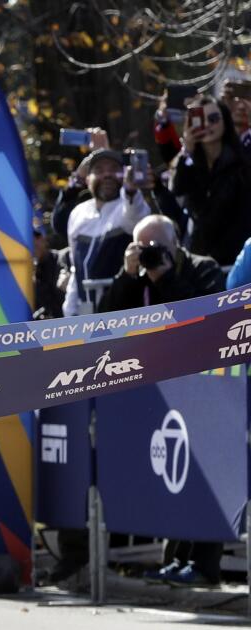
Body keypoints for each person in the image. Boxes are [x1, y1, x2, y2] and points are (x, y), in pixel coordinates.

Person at [97, 215, 226, 586]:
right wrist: (126, 277)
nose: (151, 255)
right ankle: (178, 559)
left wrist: (166, 278)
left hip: (204, 388)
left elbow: (205, 320)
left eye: (157, 248)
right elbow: (107, 321)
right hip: (158, 388)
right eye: (143, 248)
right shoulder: (135, 278)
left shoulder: (203, 269)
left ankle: (204, 565)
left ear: (175, 243)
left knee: (205, 477)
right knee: (177, 479)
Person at [63, 148, 151, 315]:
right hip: (87, 314)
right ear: (88, 180)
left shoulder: (129, 205)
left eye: (114, 169)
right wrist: (69, 310)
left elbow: (136, 216)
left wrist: (131, 190)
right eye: (99, 170)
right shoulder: (78, 213)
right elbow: (77, 267)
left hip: (123, 311)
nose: (107, 175)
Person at [169, 95, 251, 267]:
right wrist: (188, 148)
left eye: (213, 118)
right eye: (199, 119)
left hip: (236, 263)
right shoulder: (189, 163)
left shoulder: (242, 161)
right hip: (200, 262)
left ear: (225, 121)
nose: (207, 125)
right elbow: (177, 190)